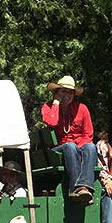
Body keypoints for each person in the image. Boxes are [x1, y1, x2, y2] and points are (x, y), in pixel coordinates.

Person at [41, 75, 97, 204]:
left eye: (70, 92)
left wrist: (79, 147)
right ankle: (75, 189)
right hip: (59, 148)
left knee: (91, 147)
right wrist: (56, 103)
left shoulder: (82, 109)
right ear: (57, 92)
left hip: (78, 146)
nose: (67, 94)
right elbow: (51, 122)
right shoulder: (47, 107)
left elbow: (88, 134)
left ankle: (84, 188)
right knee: (69, 146)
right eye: (63, 91)